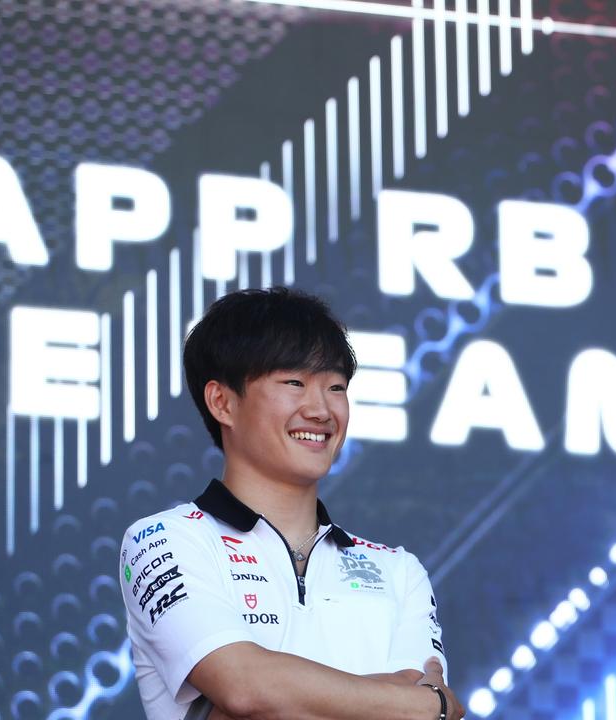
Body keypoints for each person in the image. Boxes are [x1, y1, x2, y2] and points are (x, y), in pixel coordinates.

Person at [118, 287, 463, 720]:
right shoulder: (165, 540)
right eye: (294, 383)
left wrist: (276, 697)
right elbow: (244, 688)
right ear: (222, 402)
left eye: (335, 387)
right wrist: (426, 702)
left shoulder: (398, 570)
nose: (321, 410)